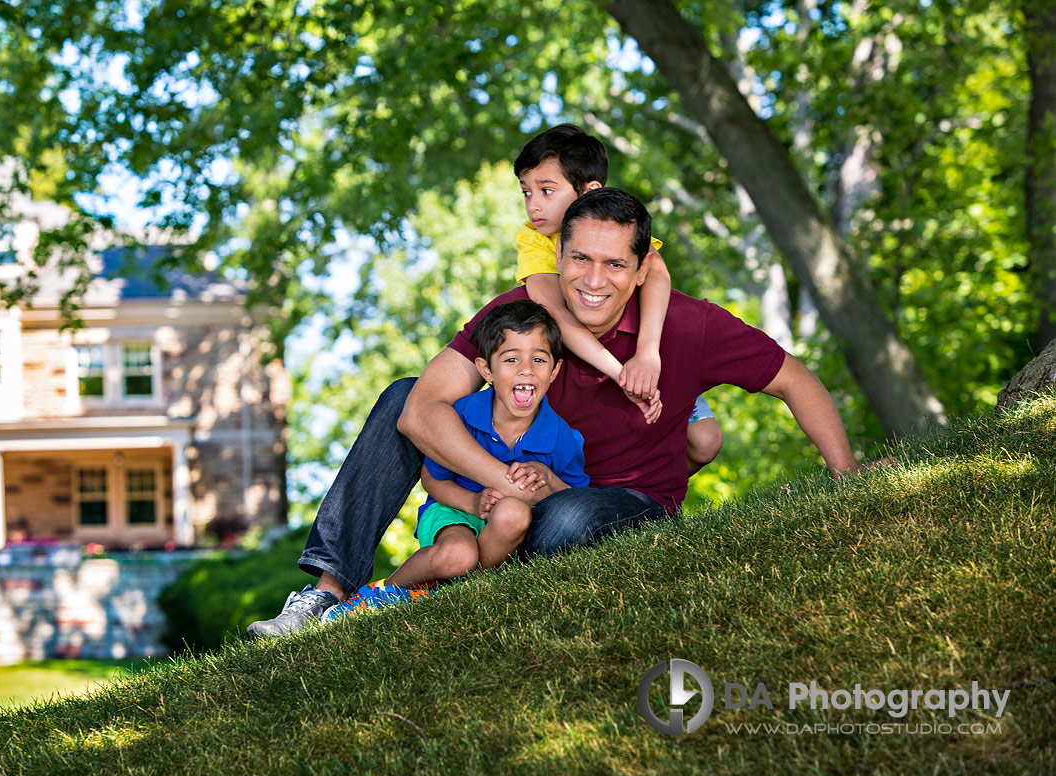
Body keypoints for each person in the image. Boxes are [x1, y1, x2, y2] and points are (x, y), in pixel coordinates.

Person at [248, 188, 861, 639]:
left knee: (564, 521)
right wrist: (499, 481)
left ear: (643, 267)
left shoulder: (688, 325)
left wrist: (845, 476)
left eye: (615, 264)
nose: (593, 280)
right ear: (557, 255)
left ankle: (444, 589)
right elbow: (420, 413)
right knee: (401, 397)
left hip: (623, 498)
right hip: (509, 493)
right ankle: (328, 593)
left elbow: (796, 381)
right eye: (579, 259)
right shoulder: (522, 317)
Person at [319, 301, 589, 621]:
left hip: (508, 531)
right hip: (455, 510)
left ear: (555, 370)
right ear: (486, 369)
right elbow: (433, 479)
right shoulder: (461, 415)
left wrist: (547, 477)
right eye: (511, 358)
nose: (526, 369)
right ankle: (379, 596)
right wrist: (474, 503)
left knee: (514, 512)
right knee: (457, 555)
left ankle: (455, 588)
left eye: (539, 359)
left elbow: (576, 503)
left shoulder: (562, 438)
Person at [512, 124, 723, 473]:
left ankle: (642, 493)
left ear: (589, 191)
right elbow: (555, 314)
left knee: (706, 440)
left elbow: (657, 273)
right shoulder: (535, 238)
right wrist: (621, 374)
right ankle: (616, 497)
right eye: (526, 192)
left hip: (641, 351)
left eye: (546, 191)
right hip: (589, 366)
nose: (533, 205)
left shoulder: (621, 222)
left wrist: (648, 354)